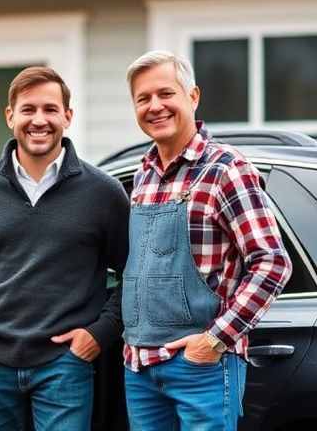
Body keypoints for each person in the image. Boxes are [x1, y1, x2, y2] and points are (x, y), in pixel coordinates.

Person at [0, 66, 129, 431]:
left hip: (65, 367)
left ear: (67, 116)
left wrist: (99, 333)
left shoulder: (104, 193)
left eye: (51, 109)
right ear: (10, 117)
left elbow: (134, 275)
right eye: (28, 109)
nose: (40, 120)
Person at [121, 50, 292, 430]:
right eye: (143, 98)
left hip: (201, 369)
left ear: (193, 96)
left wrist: (215, 340)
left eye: (166, 93)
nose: (155, 107)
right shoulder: (143, 174)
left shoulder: (226, 169)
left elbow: (272, 263)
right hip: (140, 369)